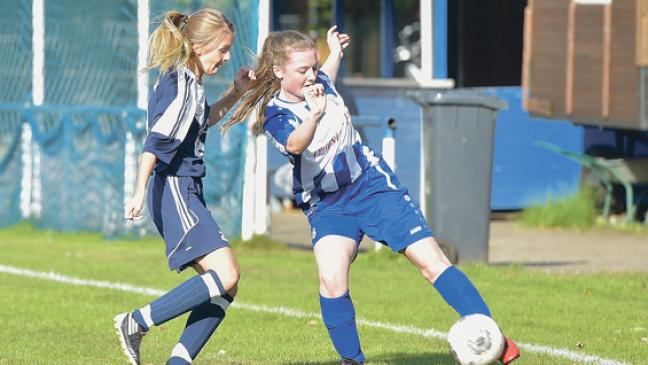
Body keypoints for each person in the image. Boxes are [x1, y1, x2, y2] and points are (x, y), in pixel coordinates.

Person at [223, 26, 520, 364]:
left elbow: (329, 76)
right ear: (279, 71)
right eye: (302, 70)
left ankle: (494, 339)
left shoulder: (322, 83)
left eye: (314, 67)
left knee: (432, 262)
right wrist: (316, 112)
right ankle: (353, 360)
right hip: (328, 205)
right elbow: (295, 144)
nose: (311, 76)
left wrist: (335, 53)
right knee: (332, 279)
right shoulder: (276, 114)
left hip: (372, 187)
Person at [115, 8, 253, 365]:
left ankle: (178, 361)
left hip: (186, 191)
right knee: (226, 273)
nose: (225, 57)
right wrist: (138, 192)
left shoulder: (188, 82)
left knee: (227, 284)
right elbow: (154, 144)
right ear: (197, 46)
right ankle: (137, 321)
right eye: (221, 50)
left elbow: (202, 120)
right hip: (176, 191)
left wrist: (236, 92)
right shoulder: (181, 86)